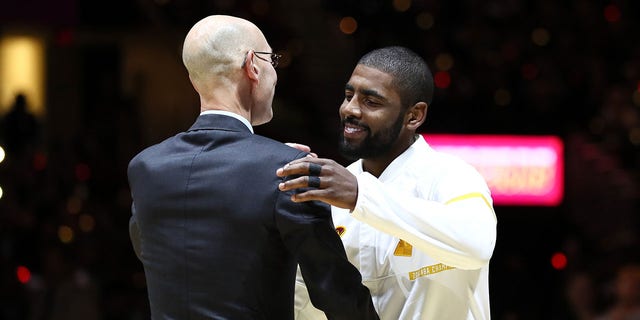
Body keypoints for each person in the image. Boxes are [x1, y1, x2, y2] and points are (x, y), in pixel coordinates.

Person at [127, 15, 378, 320]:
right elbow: (338, 295)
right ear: (252, 66)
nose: (275, 72)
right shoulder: (286, 171)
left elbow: (154, 250)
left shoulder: (145, 167)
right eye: (272, 59)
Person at [277, 46, 497, 319]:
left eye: (371, 101)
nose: (350, 109)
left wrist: (361, 196)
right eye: (348, 95)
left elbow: (476, 246)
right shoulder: (330, 190)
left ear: (414, 116)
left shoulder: (453, 176)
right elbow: (305, 305)